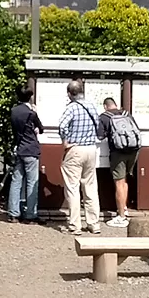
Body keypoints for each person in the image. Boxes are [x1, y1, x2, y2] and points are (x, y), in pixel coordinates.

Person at [58, 79, 103, 235]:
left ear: (70, 94)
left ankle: (75, 225)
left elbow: (62, 125)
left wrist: (65, 141)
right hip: (91, 149)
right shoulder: (91, 106)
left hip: (75, 149)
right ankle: (93, 223)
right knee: (90, 187)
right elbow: (98, 125)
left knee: (72, 188)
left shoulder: (71, 108)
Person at [99, 97, 142, 228]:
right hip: (133, 150)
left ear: (105, 106)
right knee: (124, 181)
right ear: (116, 105)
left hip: (118, 153)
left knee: (119, 182)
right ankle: (124, 208)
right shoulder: (126, 114)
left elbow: (100, 136)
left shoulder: (104, 117)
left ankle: (121, 216)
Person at [8, 89, 44, 224]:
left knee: (16, 181)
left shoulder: (14, 111)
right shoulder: (31, 113)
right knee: (32, 182)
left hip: (19, 148)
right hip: (31, 150)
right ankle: (30, 214)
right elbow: (41, 128)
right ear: (30, 98)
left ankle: (13, 213)